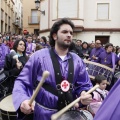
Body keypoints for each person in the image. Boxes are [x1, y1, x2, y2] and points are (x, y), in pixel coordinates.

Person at [12, 18, 93, 120]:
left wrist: (84, 93)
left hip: (70, 114)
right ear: (54, 36)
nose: (69, 35)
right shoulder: (38, 57)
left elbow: (84, 84)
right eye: (64, 32)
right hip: (44, 115)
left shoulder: (77, 60)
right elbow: (22, 82)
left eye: (71, 33)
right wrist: (22, 100)